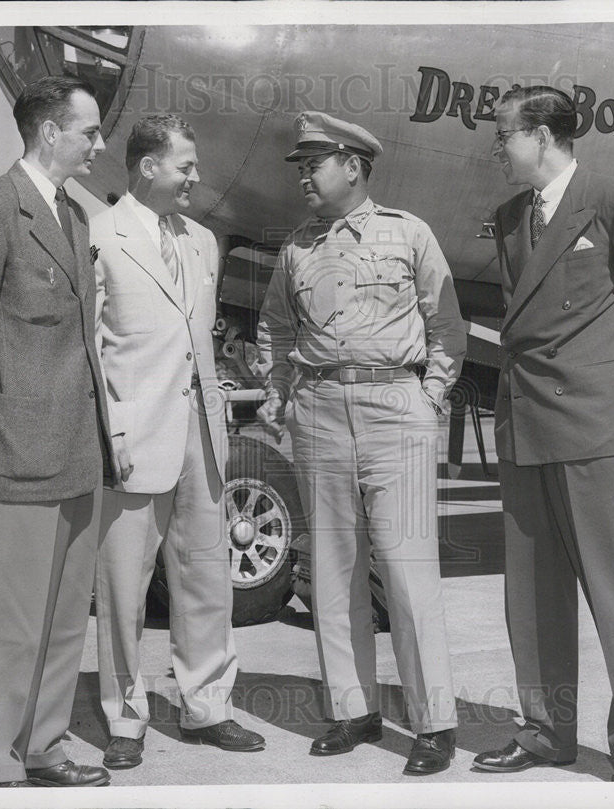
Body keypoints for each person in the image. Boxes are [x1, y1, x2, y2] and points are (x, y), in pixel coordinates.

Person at [473, 85, 614, 782]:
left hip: (596, 423)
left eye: (504, 133)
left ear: (542, 134)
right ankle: (544, 730)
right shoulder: (508, 218)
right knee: (532, 598)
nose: (497, 147)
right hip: (526, 421)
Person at [254, 111, 466, 775]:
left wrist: (427, 396)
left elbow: (447, 328)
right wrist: (282, 391)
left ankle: (434, 722)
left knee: (406, 568)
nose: (303, 179)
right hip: (319, 411)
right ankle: (354, 709)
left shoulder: (409, 234)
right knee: (334, 570)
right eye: (300, 167)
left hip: (393, 407)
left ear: (352, 164)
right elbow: (274, 328)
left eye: (313, 165)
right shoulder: (296, 249)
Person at [0, 76, 114, 788]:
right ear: (48, 133)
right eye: (88, 132)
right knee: (8, 619)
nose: (99, 144)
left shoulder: (73, 216)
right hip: (17, 453)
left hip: (77, 451)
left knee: (66, 617)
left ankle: (44, 744)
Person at [91, 115, 264, 770]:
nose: (196, 176)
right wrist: (111, 430)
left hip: (201, 431)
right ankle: (126, 715)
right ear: (146, 167)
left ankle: (208, 704)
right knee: (123, 585)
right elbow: (91, 345)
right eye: (185, 165)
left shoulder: (201, 241)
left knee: (205, 574)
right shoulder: (100, 236)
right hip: (134, 435)